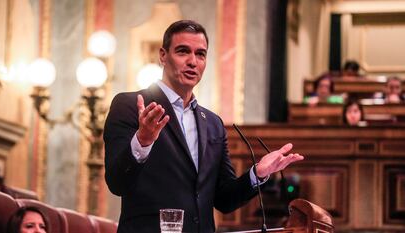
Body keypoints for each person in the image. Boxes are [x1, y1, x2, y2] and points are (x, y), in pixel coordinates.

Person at [103, 20, 304, 233]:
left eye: (201, 54)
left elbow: (224, 200)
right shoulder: (131, 105)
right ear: (163, 55)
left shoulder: (213, 124)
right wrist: (142, 142)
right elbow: (117, 183)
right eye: (182, 52)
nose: (193, 61)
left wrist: (258, 174)